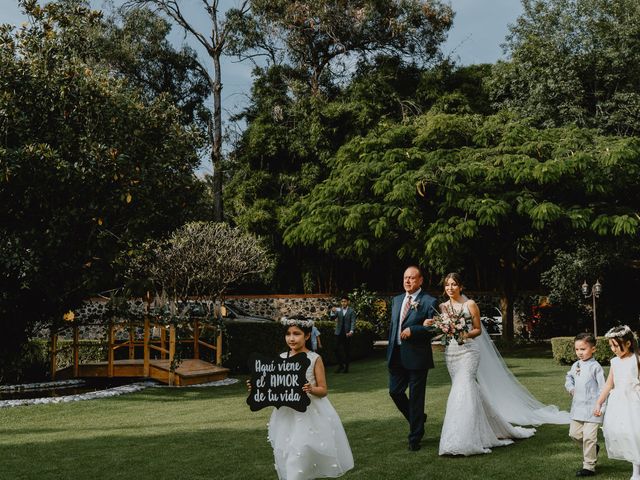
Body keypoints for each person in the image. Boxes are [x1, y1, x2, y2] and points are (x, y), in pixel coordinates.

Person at [434, 272, 536, 456]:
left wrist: (463, 334)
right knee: (469, 390)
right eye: (447, 285)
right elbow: (445, 331)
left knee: (462, 388)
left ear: (461, 286)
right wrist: (441, 332)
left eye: (454, 284)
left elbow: (478, 330)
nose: (450, 288)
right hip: (452, 353)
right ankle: (493, 427)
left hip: (469, 352)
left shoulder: (470, 304)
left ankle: (462, 439)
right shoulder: (442, 307)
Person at [264, 317, 354, 480]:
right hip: (286, 415)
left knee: (301, 451)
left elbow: (323, 390)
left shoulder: (314, 359)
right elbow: (275, 384)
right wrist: (259, 387)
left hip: (309, 414)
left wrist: (311, 389)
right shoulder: (282, 357)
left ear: (306, 336)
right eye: (288, 334)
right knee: (287, 450)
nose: (291, 338)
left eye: (296, 334)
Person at [386, 265, 439, 451]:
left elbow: (436, 328)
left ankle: (415, 437)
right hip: (396, 355)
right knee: (395, 392)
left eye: (412, 278)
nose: (407, 281)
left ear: (420, 280)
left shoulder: (429, 301)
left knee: (417, 398)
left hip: (417, 357)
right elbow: (394, 327)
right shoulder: (397, 300)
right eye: (405, 277)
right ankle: (417, 418)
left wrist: (414, 330)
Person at [594, 325, 640, 480]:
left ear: (627, 343)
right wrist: (599, 402)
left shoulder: (637, 359)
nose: (613, 349)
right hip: (619, 403)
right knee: (625, 433)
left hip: (635, 401)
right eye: (610, 346)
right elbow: (609, 384)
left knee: (636, 433)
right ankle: (636, 468)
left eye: (615, 345)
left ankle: (636, 472)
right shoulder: (614, 362)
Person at [565, 332, 606, 477]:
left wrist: (601, 407)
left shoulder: (596, 367)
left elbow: (603, 388)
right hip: (578, 408)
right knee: (574, 434)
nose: (579, 353)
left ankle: (589, 466)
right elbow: (569, 377)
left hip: (593, 409)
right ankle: (593, 448)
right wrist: (571, 388)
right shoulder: (576, 365)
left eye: (583, 349)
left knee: (589, 436)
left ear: (593, 349)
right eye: (577, 349)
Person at [330, 297, 356, 373]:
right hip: (338, 332)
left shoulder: (351, 311)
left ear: (348, 302)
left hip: (347, 333)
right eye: (342, 301)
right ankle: (341, 365)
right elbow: (332, 318)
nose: (343, 303)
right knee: (335, 349)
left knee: (346, 351)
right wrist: (332, 311)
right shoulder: (338, 310)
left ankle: (346, 368)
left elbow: (353, 322)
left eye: (345, 301)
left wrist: (351, 331)